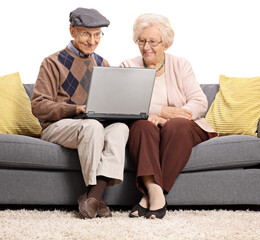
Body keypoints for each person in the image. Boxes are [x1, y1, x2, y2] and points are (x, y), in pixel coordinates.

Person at [31, 7, 129, 219]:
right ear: (72, 31)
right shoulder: (52, 62)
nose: (92, 41)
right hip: (58, 126)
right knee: (92, 126)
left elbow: (109, 104)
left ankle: (93, 197)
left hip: (92, 125)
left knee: (120, 128)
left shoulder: (102, 64)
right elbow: (38, 106)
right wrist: (75, 109)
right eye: (85, 34)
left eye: (97, 35)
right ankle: (95, 195)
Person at [120, 13, 217, 219]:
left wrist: (167, 119)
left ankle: (148, 196)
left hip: (180, 128)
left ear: (166, 43)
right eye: (142, 40)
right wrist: (160, 111)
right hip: (147, 126)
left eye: (153, 42)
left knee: (178, 126)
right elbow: (126, 105)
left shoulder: (180, 65)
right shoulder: (128, 66)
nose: (146, 47)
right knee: (142, 126)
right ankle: (156, 194)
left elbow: (199, 102)